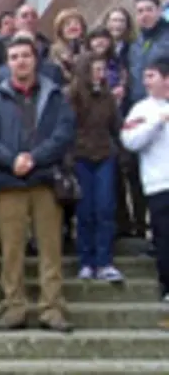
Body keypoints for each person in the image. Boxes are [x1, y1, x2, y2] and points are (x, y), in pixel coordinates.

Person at [0, 36, 75, 333]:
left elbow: (63, 133)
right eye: (14, 56)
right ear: (7, 63)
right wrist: (11, 161)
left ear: (36, 60)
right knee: (12, 250)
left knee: (50, 248)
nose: (20, 61)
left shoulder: (55, 96)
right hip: (9, 183)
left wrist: (34, 158)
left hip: (45, 180)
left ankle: (52, 308)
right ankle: (14, 307)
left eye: (25, 55)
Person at [68, 52, 124, 282]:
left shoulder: (108, 97)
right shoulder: (71, 96)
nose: (102, 74)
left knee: (104, 208)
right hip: (81, 157)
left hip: (104, 155)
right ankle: (86, 261)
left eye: (103, 70)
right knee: (85, 210)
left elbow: (116, 125)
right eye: (97, 69)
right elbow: (67, 128)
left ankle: (104, 261)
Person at [121, 56, 169, 302]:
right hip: (159, 183)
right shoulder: (142, 109)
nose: (146, 82)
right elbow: (129, 141)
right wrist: (156, 125)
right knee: (164, 236)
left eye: (152, 76)